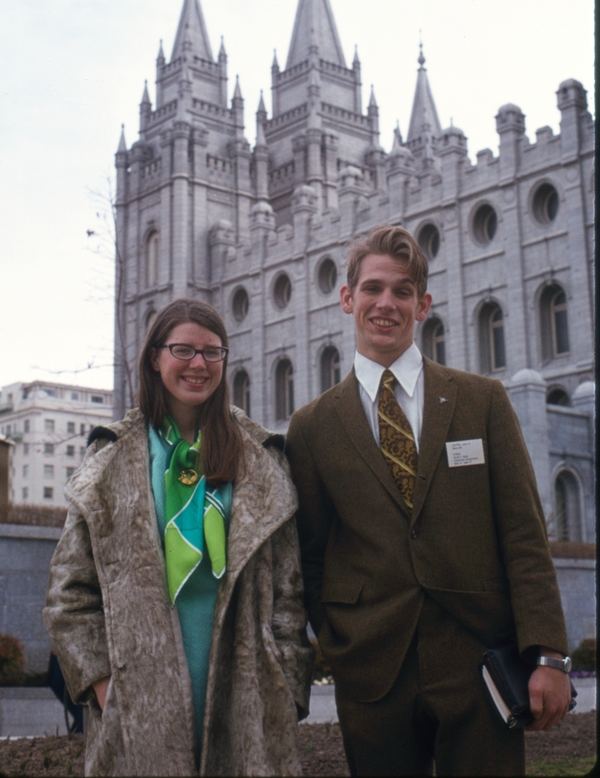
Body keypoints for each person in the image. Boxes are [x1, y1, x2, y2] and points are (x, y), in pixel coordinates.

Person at [286, 225, 572, 776]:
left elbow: (524, 536)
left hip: (479, 662)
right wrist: (342, 640)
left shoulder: (481, 401)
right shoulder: (312, 427)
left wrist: (549, 655)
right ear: (348, 299)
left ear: (424, 304)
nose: (385, 304)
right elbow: (312, 555)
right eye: (372, 289)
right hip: (372, 672)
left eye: (402, 291)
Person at [44, 298, 314, 777]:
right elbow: (70, 592)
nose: (198, 364)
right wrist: (106, 686)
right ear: (155, 357)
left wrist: (285, 686)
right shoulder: (110, 458)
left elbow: (289, 594)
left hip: (246, 700)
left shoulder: (262, 456)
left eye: (212, 352)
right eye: (183, 350)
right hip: (137, 707)